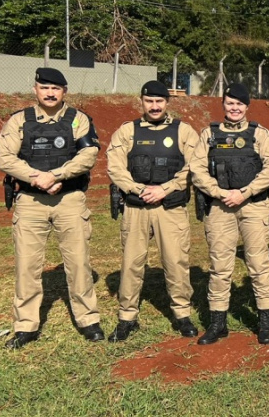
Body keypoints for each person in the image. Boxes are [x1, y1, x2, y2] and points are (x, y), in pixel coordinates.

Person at [0, 68, 104, 348]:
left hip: (69, 199)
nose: (50, 92)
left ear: (64, 91)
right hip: (31, 201)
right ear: (35, 89)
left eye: (56, 88)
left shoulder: (78, 119)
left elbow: (88, 155)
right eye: (45, 87)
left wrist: (56, 176)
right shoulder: (20, 120)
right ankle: (26, 326)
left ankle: (88, 320)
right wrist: (38, 178)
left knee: (78, 262)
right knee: (27, 265)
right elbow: (5, 158)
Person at [105, 80, 200, 342]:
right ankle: (127, 317)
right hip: (136, 207)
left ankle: (182, 314)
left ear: (167, 103)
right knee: (132, 263)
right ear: (142, 102)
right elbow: (115, 167)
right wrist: (137, 189)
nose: (155, 106)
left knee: (176, 262)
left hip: (169, 207)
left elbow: (194, 166)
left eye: (159, 101)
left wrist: (165, 189)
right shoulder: (127, 131)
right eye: (149, 101)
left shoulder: (184, 131)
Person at [191, 83, 269, 345]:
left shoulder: (260, 135)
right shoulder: (209, 134)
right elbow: (197, 169)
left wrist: (245, 192)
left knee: (259, 263)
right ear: (223, 105)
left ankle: (266, 321)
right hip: (220, 206)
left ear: (247, 107)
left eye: (239, 104)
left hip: (253, 205)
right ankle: (218, 323)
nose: (234, 108)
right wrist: (219, 192)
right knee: (219, 266)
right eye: (230, 103)